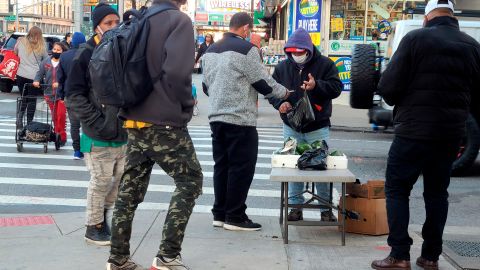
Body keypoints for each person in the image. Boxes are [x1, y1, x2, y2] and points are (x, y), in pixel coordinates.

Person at [371, 1, 480, 269]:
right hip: (450, 134)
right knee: (436, 194)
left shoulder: (415, 39)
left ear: (427, 16)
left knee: (397, 189)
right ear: (453, 15)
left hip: (413, 131)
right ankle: (430, 256)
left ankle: (399, 254)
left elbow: (388, 87)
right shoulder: (471, 45)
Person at [106, 0, 203, 269]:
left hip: (134, 117)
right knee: (190, 181)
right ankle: (168, 255)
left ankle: (117, 257)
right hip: (164, 120)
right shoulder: (178, 20)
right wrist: (186, 104)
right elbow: (177, 72)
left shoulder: (141, 17)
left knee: (129, 189)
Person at [202, 12, 290, 232]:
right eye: (249, 30)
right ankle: (235, 216)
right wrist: (285, 92)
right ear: (245, 29)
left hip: (216, 118)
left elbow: (205, 86)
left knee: (222, 167)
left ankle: (220, 214)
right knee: (241, 168)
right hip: (240, 119)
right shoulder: (247, 49)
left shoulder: (210, 51)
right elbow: (263, 83)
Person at [66, 3, 126, 247]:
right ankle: (93, 225)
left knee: (118, 180)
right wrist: (97, 122)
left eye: (116, 22)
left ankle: (103, 217)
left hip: (123, 131)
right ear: (97, 26)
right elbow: (74, 96)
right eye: (108, 23)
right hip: (97, 133)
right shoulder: (85, 53)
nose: (113, 27)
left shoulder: (122, 50)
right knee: (101, 181)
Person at [268, 28, 342, 222]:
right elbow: (272, 91)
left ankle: (325, 209)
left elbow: (336, 88)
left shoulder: (325, 64)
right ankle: (295, 208)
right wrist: (279, 103)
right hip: (291, 125)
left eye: (300, 52)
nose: (296, 56)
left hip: (317, 126)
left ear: (308, 50)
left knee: (321, 168)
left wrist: (316, 85)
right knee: (292, 167)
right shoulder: (282, 67)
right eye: (293, 52)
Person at [57, 32, 87, 160]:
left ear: (72, 42)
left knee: (74, 125)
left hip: (70, 95)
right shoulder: (88, 54)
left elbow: (60, 78)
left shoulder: (64, 56)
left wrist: (61, 95)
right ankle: (87, 150)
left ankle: (77, 151)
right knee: (87, 124)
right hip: (86, 95)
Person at [33, 42, 68, 146]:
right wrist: (36, 80)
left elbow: (69, 77)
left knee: (61, 115)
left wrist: (60, 83)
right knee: (54, 116)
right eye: (54, 49)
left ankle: (62, 136)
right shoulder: (46, 62)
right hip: (49, 93)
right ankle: (57, 135)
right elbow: (39, 73)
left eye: (58, 50)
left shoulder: (64, 62)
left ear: (62, 52)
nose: (56, 51)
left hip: (61, 94)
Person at [14, 26, 49, 128]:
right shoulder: (41, 46)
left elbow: (15, 53)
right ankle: (29, 123)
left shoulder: (21, 42)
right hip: (34, 76)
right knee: (32, 100)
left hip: (20, 74)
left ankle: (19, 119)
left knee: (23, 97)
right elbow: (46, 60)